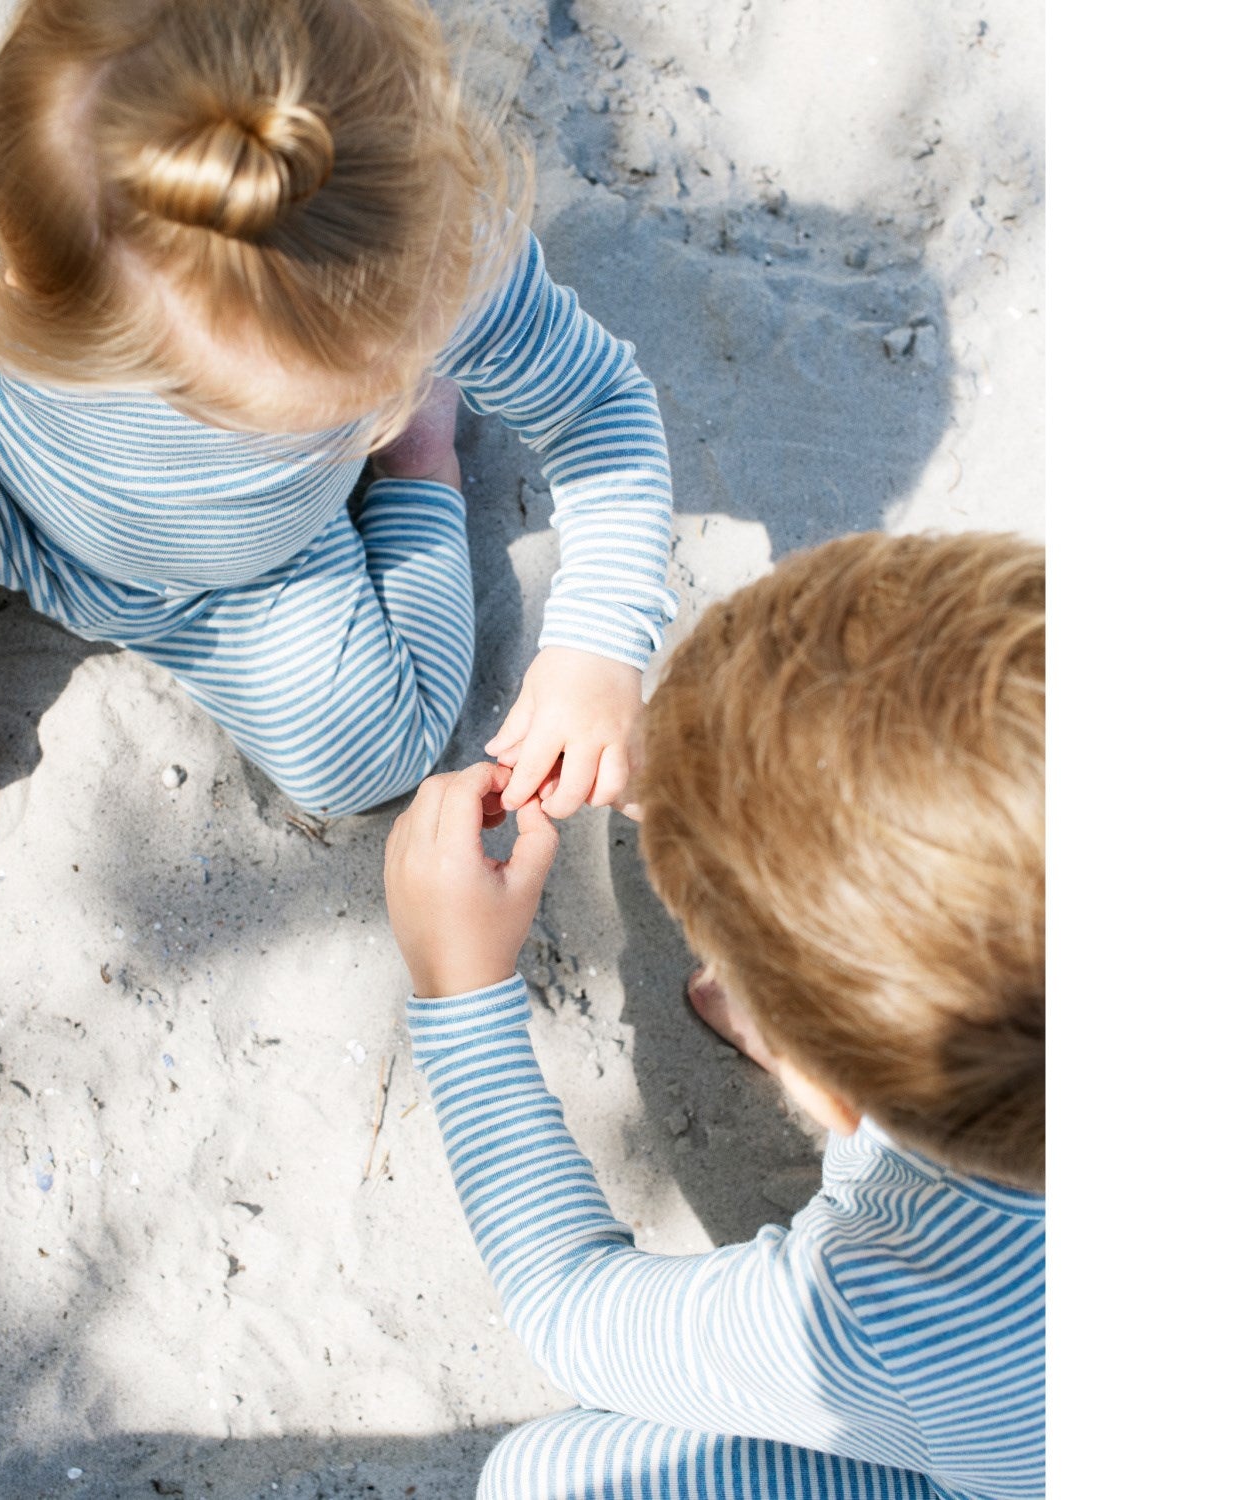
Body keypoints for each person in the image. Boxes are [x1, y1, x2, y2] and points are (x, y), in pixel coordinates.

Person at [0, 0, 677, 910]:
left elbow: (597, 405)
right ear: (30, 284)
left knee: (371, 758)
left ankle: (419, 466)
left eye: (373, 389)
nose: (374, 403)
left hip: (256, 569)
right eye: (231, 411)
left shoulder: (426, 257)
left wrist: (597, 646)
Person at [385, 531, 1044, 1499]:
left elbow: (571, 1311)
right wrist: (706, 773)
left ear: (820, 1090)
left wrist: (460, 988)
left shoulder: (898, 1306)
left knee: (545, 1477)